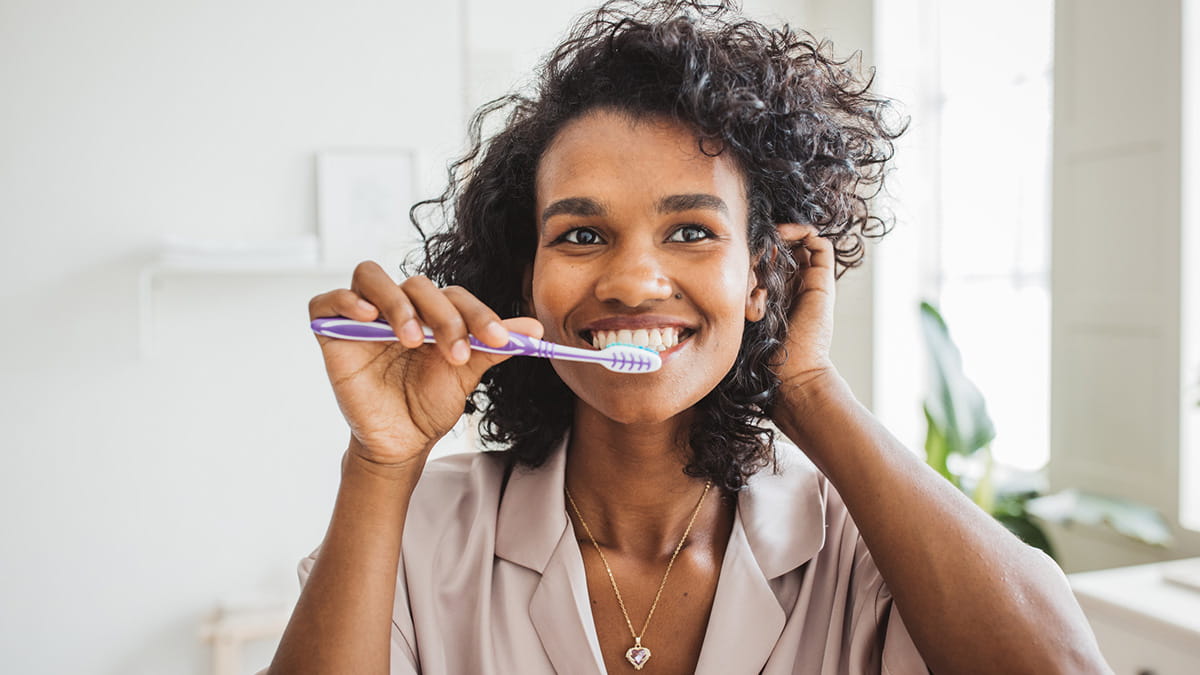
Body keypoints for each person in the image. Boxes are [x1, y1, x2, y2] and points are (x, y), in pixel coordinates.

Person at [267, 1, 1110, 673]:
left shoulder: (865, 547)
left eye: (692, 232)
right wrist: (378, 464)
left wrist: (809, 391)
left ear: (759, 278)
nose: (634, 280)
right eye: (582, 235)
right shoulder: (418, 533)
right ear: (526, 280)